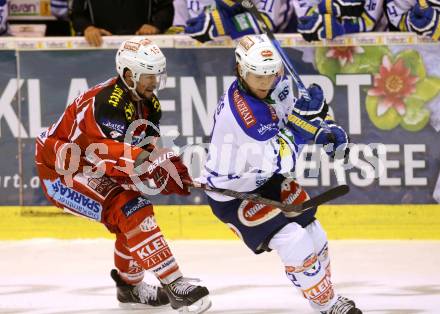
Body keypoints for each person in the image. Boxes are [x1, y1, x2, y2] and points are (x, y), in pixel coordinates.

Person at [35, 37, 211, 314]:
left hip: (90, 163)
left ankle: (130, 288)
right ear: (129, 74)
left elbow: (146, 145)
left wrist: (169, 165)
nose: (155, 82)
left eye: (158, 75)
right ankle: (174, 283)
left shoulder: (148, 103)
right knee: (131, 209)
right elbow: (109, 153)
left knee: (131, 214)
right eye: (149, 76)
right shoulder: (107, 104)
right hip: (62, 172)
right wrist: (152, 165)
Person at [200, 34, 362, 313]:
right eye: (257, 76)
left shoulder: (277, 83)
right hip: (234, 194)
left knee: (314, 231)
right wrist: (303, 130)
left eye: (270, 74)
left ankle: (325, 295)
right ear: (240, 69)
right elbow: (278, 161)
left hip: (263, 180)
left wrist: (320, 130)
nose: (265, 83)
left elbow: (289, 121)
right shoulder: (241, 116)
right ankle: (328, 305)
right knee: (294, 239)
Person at [169, 0, 297, 42]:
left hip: (274, 56)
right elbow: (179, 32)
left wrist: (225, 24)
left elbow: (266, 23)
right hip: (205, 65)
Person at [70, 0, 174, 46]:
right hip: (100, 47)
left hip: (143, 48)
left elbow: (165, 8)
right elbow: (77, 14)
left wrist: (155, 26)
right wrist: (87, 28)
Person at [294, 0, 385, 41]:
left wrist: (340, 24)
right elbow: (306, 22)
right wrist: (324, 7)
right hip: (316, 52)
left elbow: (368, 21)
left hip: (374, 46)